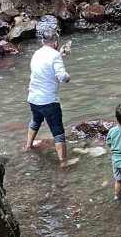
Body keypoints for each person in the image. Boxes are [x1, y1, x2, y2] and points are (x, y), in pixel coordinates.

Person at [24, 29, 78, 168]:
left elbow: (45, 66)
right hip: (48, 100)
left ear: (43, 41)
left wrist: (59, 55)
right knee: (58, 130)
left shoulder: (37, 53)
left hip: (33, 98)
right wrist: (68, 77)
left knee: (36, 119)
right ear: (55, 42)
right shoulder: (55, 56)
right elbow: (62, 77)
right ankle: (64, 161)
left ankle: (28, 146)